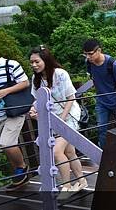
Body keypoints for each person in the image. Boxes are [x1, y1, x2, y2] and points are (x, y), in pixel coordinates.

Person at [28, 46, 87, 195]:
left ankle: (66, 186)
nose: (34, 65)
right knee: (69, 151)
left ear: (45, 60)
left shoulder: (60, 74)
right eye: (31, 62)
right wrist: (34, 110)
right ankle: (81, 180)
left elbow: (71, 97)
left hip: (69, 115)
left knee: (56, 151)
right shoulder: (36, 79)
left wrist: (62, 119)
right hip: (53, 118)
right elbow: (37, 100)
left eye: (36, 61)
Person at [0, 39, 31, 189]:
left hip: (13, 111)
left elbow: (25, 82)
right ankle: (19, 173)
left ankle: (22, 168)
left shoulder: (10, 64)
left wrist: (6, 91)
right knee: (5, 146)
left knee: (7, 143)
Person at [82, 39, 116, 149]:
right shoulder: (89, 63)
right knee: (101, 128)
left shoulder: (112, 63)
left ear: (99, 50)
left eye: (90, 54)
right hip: (101, 101)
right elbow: (94, 79)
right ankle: (104, 155)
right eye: (85, 54)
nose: (88, 57)